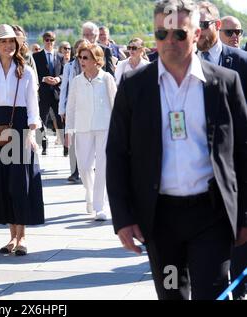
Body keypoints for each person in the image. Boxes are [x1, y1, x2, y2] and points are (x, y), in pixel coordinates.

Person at [106, 0, 247, 300]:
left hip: (211, 215)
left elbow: (243, 153)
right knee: (172, 295)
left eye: (179, 34)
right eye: (161, 34)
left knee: (211, 294)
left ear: (197, 34)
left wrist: (245, 216)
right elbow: (117, 153)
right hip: (160, 220)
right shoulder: (134, 87)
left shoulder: (224, 83)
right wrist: (123, 217)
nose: (169, 42)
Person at [0, 24, 44, 256]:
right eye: (3, 42)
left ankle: (22, 236)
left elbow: (34, 109)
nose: (8, 45)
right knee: (3, 183)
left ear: (17, 44)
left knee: (19, 183)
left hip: (20, 127)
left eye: (11, 41)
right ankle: (11, 236)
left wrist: (32, 134)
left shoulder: (27, 72)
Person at [197, 1, 247, 301]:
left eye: (203, 24)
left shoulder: (240, 62)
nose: (198, 31)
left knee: (239, 237)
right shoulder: (184, 62)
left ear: (216, 26)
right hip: (198, 171)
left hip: (235, 167)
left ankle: (239, 292)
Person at [65, 43, 116, 221]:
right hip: (82, 128)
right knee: (85, 167)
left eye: (85, 57)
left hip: (104, 127)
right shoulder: (77, 81)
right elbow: (70, 107)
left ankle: (99, 207)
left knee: (102, 167)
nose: (81, 61)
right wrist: (68, 131)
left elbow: (115, 104)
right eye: (80, 57)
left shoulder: (107, 78)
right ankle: (90, 192)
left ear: (97, 60)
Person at [59, 39, 89, 183]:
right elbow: (64, 88)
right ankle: (74, 171)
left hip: (88, 107)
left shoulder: (91, 66)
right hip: (72, 106)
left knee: (86, 140)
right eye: (77, 49)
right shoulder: (69, 67)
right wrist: (62, 109)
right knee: (72, 140)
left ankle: (86, 170)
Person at [33, 31, 64, 156]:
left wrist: (58, 79)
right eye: (47, 40)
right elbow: (34, 73)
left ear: (54, 41)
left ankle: (65, 145)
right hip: (43, 92)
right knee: (42, 119)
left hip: (56, 92)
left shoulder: (60, 56)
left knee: (60, 119)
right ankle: (44, 145)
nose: (49, 42)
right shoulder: (36, 56)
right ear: (43, 40)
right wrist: (43, 79)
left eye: (51, 40)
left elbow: (63, 72)